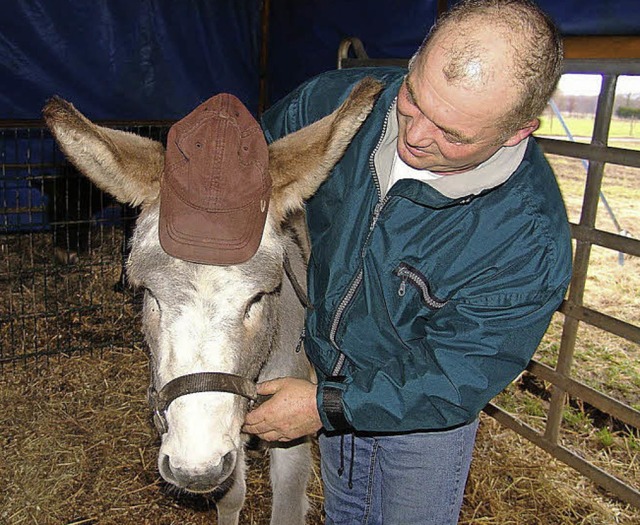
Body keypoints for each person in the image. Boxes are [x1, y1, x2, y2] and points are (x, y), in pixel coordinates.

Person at [243, 1, 573, 523]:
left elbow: (457, 374)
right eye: (414, 100)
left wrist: (323, 407)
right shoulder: (340, 106)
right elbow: (248, 162)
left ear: (517, 132)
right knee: (346, 514)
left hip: (422, 418)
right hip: (329, 375)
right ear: (416, 60)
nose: (415, 138)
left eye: (454, 135)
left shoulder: (526, 241)